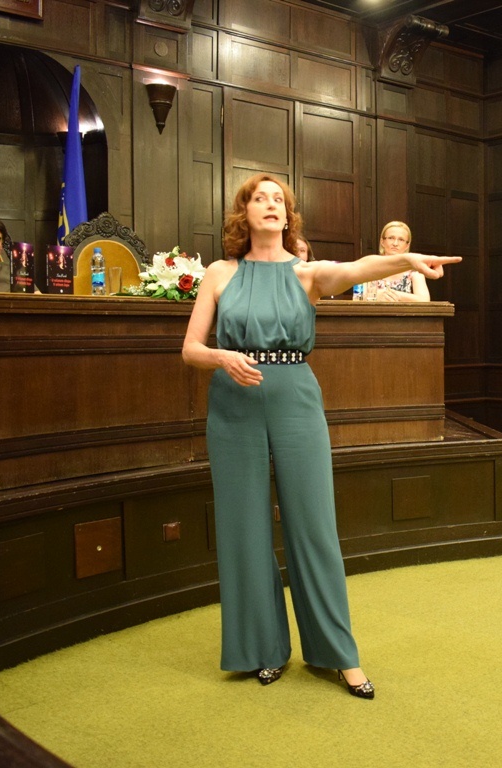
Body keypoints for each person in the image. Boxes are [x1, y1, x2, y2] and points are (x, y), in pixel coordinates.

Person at [181, 173, 459, 699]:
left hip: (295, 398)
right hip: (233, 402)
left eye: (279, 199)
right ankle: (262, 649)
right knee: (243, 527)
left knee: (313, 525)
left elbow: (358, 268)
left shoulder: (306, 273)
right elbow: (190, 348)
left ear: (288, 217)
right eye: (260, 198)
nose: (271, 204)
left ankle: (338, 654)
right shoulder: (219, 273)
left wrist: (407, 260)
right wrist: (221, 357)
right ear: (244, 213)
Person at [365, 221, 430, 302]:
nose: (395, 243)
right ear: (382, 241)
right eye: (391, 238)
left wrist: (392, 294)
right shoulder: (370, 265)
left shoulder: (414, 269)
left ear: (407, 246)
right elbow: (359, 295)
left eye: (401, 240)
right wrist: (377, 296)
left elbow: (424, 300)